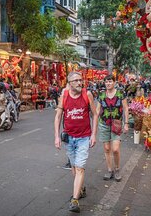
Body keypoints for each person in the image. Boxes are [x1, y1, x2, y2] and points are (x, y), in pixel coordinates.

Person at [54, 72, 98, 213]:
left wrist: (93, 134)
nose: (80, 83)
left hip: (84, 137)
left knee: (79, 168)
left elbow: (95, 114)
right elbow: (58, 116)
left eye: (81, 80)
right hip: (69, 137)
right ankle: (81, 188)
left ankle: (74, 200)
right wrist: (56, 136)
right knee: (74, 167)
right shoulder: (65, 95)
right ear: (70, 83)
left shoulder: (87, 94)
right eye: (76, 81)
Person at [96, 75, 129, 182]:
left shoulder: (120, 93)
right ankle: (109, 170)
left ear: (114, 82)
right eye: (106, 82)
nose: (108, 83)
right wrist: (94, 125)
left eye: (110, 81)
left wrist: (126, 123)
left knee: (115, 149)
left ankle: (117, 168)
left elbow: (125, 108)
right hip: (104, 123)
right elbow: (97, 110)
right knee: (106, 148)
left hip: (117, 123)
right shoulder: (101, 94)